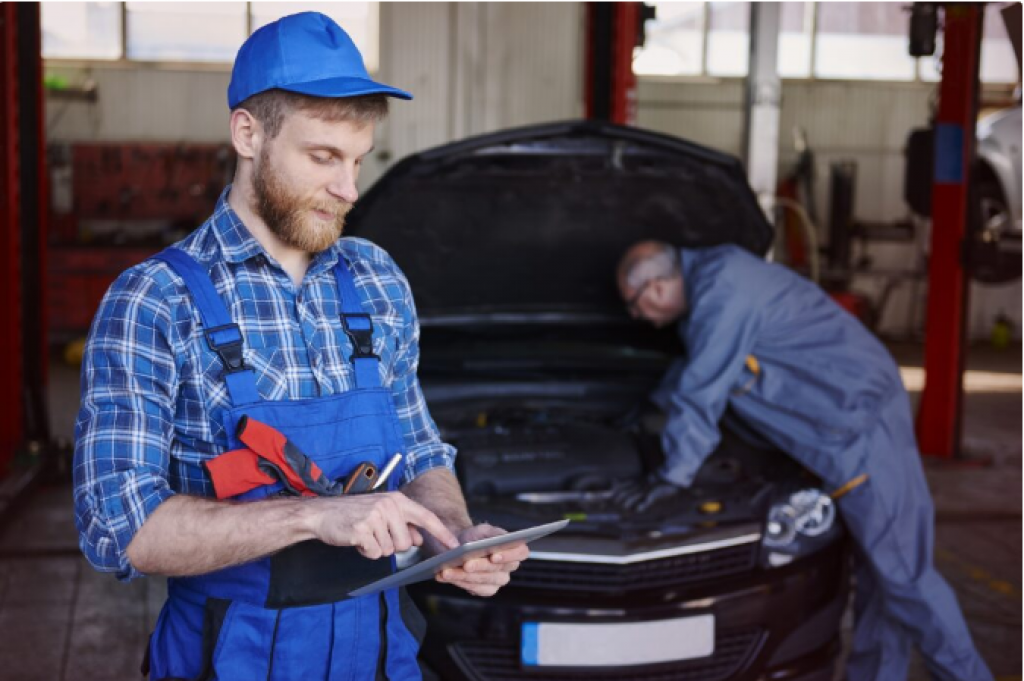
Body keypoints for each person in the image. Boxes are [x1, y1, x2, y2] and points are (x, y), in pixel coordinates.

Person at [73, 13, 527, 680]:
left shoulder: (377, 279)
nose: (348, 189)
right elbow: (119, 526)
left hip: (381, 655)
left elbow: (421, 446)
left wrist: (452, 535)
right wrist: (318, 515)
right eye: (322, 158)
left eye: (356, 161)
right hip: (232, 657)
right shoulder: (154, 300)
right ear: (248, 133)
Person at [615, 240, 992, 681]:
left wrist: (673, 478)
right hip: (843, 426)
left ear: (657, 287)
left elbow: (702, 388)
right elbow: (698, 369)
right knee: (880, 580)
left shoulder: (723, 289)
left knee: (907, 581)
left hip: (858, 430)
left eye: (634, 305)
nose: (637, 317)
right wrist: (640, 413)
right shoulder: (717, 287)